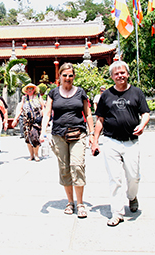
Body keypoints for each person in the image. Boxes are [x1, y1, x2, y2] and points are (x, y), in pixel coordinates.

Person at [91, 61, 150, 226]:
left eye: (122, 72)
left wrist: (142, 124)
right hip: (111, 141)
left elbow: (145, 113)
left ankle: (132, 197)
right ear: (112, 77)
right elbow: (100, 119)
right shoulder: (106, 95)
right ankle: (116, 213)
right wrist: (95, 141)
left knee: (133, 177)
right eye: (116, 74)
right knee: (115, 179)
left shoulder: (137, 93)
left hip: (131, 142)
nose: (120, 76)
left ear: (128, 74)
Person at [39, 63, 95, 219]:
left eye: (70, 75)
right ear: (59, 77)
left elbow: (88, 114)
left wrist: (92, 134)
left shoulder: (81, 92)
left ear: (74, 76)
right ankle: (70, 202)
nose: (68, 78)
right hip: (59, 134)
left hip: (78, 133)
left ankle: (81, 203)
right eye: (65, 75)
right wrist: (43, 131)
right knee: (64, 169)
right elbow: (47, 113)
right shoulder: (53, 93)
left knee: (77, 166)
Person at [12, 83, 45, 161]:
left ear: (34, 89)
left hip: (36, 120)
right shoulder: (24, 98)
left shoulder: (38, 97)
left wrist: (44, 118)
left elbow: (43, 107)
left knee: (35, 136)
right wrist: (15, 119)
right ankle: (31, 155)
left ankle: (36, 154)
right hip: (26, 121)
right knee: (27, 137)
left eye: (31, 88)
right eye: (28, 88)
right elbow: (20, 109)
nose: (30, 90)